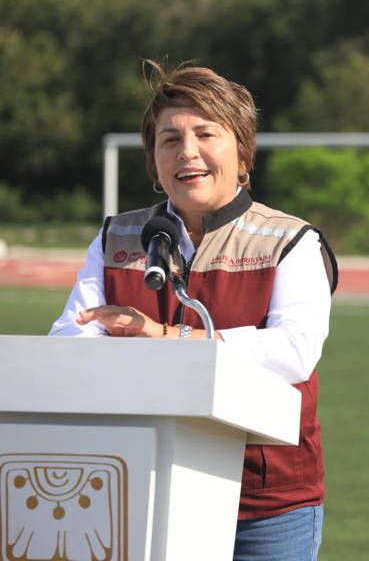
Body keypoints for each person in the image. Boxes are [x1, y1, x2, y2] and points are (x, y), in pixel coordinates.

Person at [50, 60, 338, 561]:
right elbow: (70, 340)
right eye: (169, 140)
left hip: (266, 505)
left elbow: (293, 353)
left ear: (242, 151)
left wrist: (165, 339)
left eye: (206, 134)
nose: (188, 153)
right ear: (153, 160)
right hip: (145, 484)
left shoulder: (292, 240)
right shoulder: (116, 236)